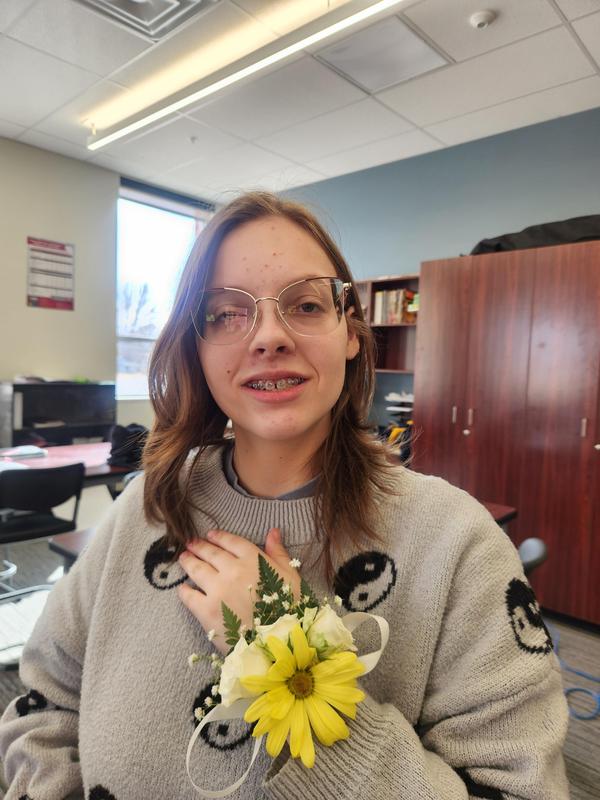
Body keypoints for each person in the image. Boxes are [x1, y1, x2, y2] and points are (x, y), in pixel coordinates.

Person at [0, 192, 569, 799]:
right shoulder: (146, 506)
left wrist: (286, 652)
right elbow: (43, 705)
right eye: (225, 314)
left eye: (303, 304)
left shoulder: (456, 542)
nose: (269, 336)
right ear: (197, 347)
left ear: (351, 332)